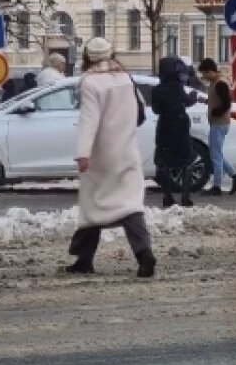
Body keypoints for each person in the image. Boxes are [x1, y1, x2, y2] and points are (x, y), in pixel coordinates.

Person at [67, 37, 156, 278]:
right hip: (127, 150)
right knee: (130, 205)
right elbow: (140, 111)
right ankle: (144, 254)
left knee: (92, 205)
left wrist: (83, 154)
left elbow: (89, 120)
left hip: (101, 156)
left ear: (87, 57)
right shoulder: (125, 77)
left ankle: (83, 259)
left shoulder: (90, 82)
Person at [197, 58, 236, 197]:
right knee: (216, 154)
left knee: (215, 156)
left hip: (219, 123)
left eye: (204, 73)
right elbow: (217, 99)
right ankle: (235, 177)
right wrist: (206, 101)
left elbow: (226, 103)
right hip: (218, 123)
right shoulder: (215, 83)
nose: (203, 77)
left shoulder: (220, 83)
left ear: (210, 71)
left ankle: (217, 187)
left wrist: (216, 112)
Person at [152, 56, 196, 208]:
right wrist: (193, 96)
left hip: (164, 127)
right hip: (180, 126)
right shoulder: (177, 87)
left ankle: (168, 197)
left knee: (163, 163)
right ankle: (185, 197)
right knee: (187, 161)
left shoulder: (156, 90)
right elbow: (188, 102)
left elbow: (156, 110)